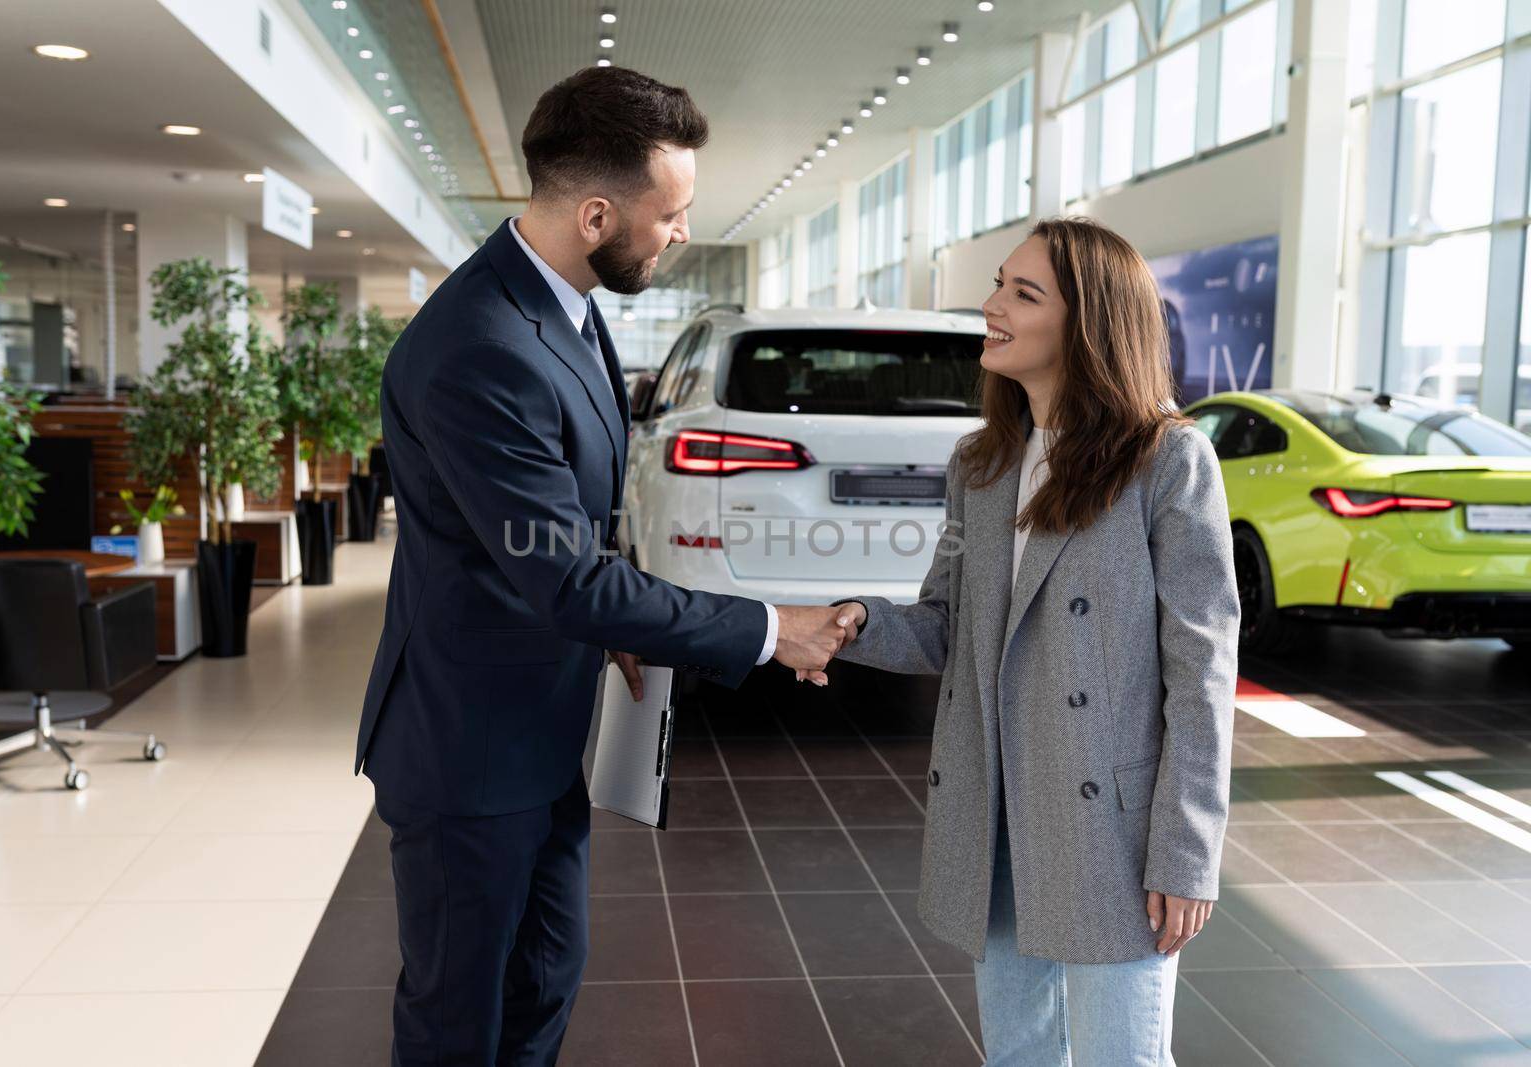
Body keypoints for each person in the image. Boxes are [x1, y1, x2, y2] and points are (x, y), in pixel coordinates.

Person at [354, 66, 849, 1066]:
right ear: (594, 213)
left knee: (542, 983)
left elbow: (568, 528)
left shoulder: (568, 308)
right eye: (670, 215)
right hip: (468, 750)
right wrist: (769, 628)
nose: (679, 234)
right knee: (459, 1021)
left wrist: (618, 630)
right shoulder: (477, 345)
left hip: (537, 727)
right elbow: (565, 576)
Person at [815, 217, 1239, 1065]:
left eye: (1021, 291)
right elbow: (944, 625)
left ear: (1086, 322)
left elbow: (1202, 674)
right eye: (999, 284)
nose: (991, 305)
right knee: (1017, 1054)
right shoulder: (981, 464)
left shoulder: (1167, 460)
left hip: (1112, 830)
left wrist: (1187, 855)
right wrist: (856, 621)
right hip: (998, 810)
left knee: (1124, 1055)